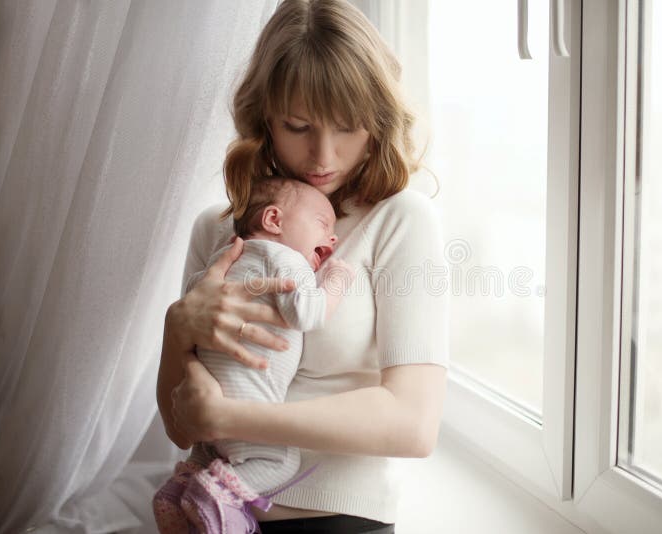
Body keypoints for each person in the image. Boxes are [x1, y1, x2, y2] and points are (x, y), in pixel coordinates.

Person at [156, 0, 449, 532]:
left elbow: (414, 425)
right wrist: (177, 330)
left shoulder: (402, 221)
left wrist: (235, 419)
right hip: (214, 518)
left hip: (342, 518)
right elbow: (182, 427)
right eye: (298, 126)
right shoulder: (217, 231)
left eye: (348, 128)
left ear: (378, 122)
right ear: (264, 116)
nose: (323, 156)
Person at [153, 177, 356, 533]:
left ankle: (181, 486)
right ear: (274, 221)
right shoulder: (287, 259)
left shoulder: (223, 258)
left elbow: (191, 302)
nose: (333, 238)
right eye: (323, 225)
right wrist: (335, 281)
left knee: (209, 453)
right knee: (280, 459)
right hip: (247, 396)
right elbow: (306, 314)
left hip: (205, 394)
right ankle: (212, 496)